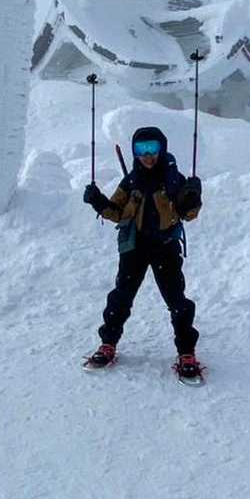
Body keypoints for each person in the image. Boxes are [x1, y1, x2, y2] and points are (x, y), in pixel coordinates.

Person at [82, 125, 203, 377]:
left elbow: (188, 214)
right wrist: (97, 200)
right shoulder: (131, 181)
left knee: (176, 299)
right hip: (134, 247)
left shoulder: (174, 179)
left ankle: (186, 352)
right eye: (141, 149)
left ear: (162, 149)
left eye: (152, 148)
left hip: (165, 247)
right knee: (121, 296)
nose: (147, 155)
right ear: (134, 152)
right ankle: (108, 343)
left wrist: (193, 198)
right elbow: (117, 212)